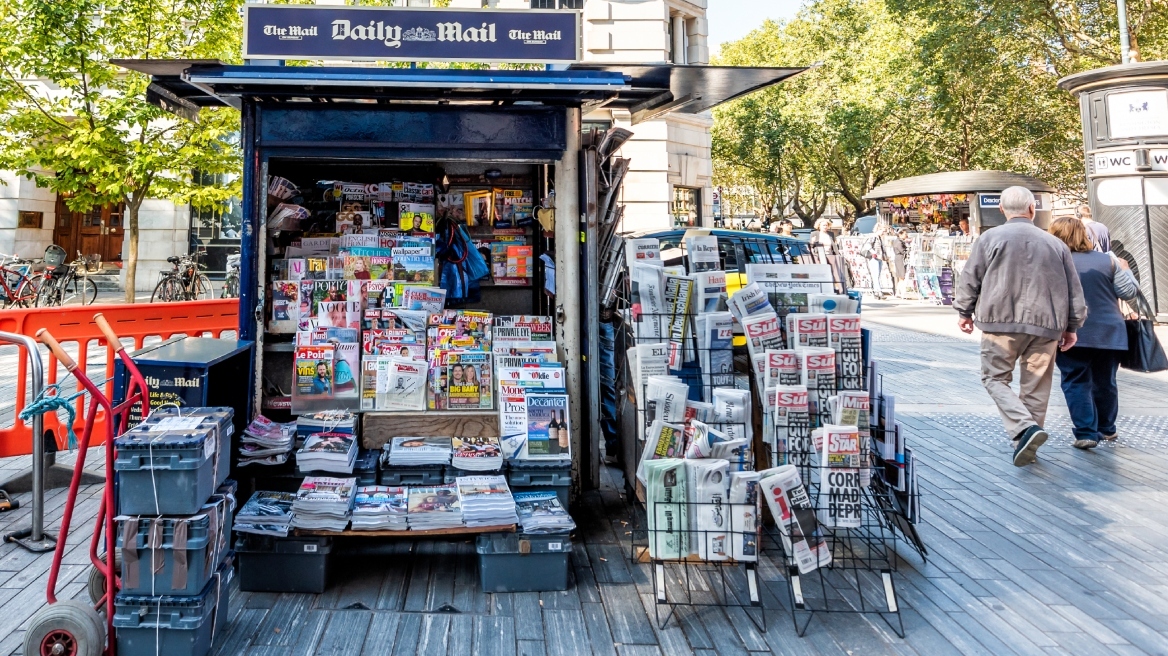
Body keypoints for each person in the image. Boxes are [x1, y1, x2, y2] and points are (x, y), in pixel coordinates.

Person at [953, 186, 1087, 467]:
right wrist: (1072, 325)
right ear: (1031, 209)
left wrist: (964, 311)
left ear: (1002, 210)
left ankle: (1024, 429)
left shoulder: (989, 238)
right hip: (1047, 325)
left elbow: (970, 277)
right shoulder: (1055, 244)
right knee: (1036, 387)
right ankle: (1025, 443)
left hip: (1000, 323)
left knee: (994, 378)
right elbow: (1074, 290)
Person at [1048, 217, 1140, 449]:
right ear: (1084, 235)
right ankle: (1107, 429)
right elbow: (1129, 292)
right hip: (1110, 332)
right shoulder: (1108, 261)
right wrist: (1126, 269)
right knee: (1105, 381)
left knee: (1075, 380)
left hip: (1070, 331)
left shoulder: (1053, 263)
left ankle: (1086, 433)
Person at [861, 224, 890, 299]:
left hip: (879, 258)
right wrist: (873, 252)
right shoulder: (873, 236)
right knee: (875, 275)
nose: (884, 232)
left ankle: (876, 291)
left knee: (877, 275)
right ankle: (878, 291)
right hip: (874, 258)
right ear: (878, 229)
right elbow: (868, 245)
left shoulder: (879, 238)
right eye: (883, 231)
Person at [890, 229, 908, 296]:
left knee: (901, 277)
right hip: (900, 258)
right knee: (902, 275)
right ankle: (900, 292)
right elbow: (902, 251)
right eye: (905, 234)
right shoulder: (898, 242)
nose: (906, 235)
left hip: (898, 258)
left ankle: (898, 292)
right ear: (900, 234)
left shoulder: (898, 241)